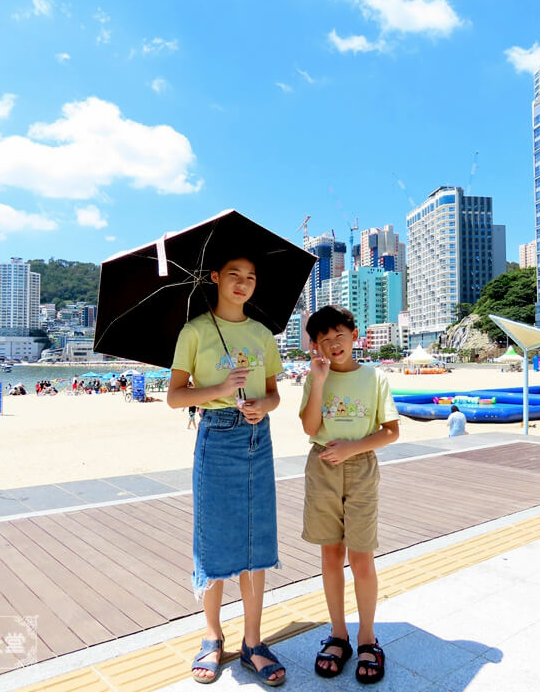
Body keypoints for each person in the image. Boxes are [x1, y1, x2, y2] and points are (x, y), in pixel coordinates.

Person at [166, 250, 286, 686]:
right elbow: (176, 396)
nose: (243, 283)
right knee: (213, 537)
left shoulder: (262, 334)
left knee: (256, 537)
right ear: (215, 277)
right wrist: (219, 387)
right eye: (234, 274)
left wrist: (261, 405)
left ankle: (253, 641)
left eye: (251, 277)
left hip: (258, 436)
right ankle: (212, 636)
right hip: (215, 434)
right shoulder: (195, 331)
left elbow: (274, 394)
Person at [300, 305, 400, 684]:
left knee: (361, 557)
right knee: (330, 554)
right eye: (323, 339)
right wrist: (320, 380)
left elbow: (390, 432)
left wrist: (350, 450)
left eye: (339, 335)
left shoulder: (374, 377)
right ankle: (338, 634)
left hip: (360, 469)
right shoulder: (315, 377)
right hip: (322, 466)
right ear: (316, 346)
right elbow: (310, 426)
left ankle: (367, 638)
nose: (332, 344)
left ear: (355, 336)